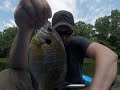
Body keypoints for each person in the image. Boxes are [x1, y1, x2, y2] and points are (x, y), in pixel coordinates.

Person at [0, 0, 119, 90]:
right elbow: (17, 67)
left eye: (68, 32)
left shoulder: (77, 42)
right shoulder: (39, 43)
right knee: (8, 76)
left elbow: (109, 56)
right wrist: (24, 30)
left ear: (73, 31)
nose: (63, 37)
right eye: (59, 32)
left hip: (74, 88)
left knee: (117, 80)